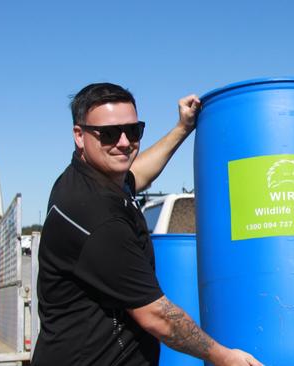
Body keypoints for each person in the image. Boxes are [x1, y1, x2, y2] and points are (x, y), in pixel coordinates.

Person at [33, 82, 262, 366]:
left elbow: (137, 173)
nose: (124, 142)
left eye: (133, 130)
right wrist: (223, 356)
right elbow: (157, 316)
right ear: (79, 135)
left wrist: (182, 128)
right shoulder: (97, 216)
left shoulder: (94, 179)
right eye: (108, 134)